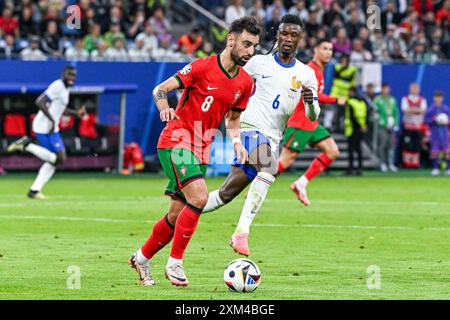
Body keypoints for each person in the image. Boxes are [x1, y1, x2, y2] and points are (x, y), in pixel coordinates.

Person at [128, 17, 261, 287]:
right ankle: (175, 263)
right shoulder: (202, 66)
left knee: (177, 216)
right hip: (176, 140)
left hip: (201, 150)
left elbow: (233, 120)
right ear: (231, 40)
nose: (250, 52)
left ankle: (141, 259)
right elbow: (160, 89)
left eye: (255, 47)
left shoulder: (245, 83)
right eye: (246, 44)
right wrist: (164, 106)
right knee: (199, 197)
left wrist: (236, 143)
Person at [203, 15, 320, 256]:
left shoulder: (306, 74)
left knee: (225, 195)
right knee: (269, 168)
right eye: (284, 33)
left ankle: (182, 210)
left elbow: (313, 116)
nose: (288, 39)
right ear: (277, 35)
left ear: (300, 39)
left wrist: (310, 104)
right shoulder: (257, 63)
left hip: (272, 138)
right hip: (248, 127)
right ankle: (241, 233)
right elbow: (233, 80)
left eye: (293, 35)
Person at [277, 38, 345, 206]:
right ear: (315, 50)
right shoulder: (309, 70)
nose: (328, 52)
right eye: (324, 48)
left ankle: (301, 183)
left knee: (333, 151)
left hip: (311, 123)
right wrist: (336, 100)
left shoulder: (319, 71)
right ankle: (255, 186)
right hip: (299, 122)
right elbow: (315, 96)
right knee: (285, 161)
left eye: (330, 49)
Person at [6, 66, 86, 199]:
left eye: (73, 75)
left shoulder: (65, 89)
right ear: (63, 74)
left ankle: (34, 190)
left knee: (57, 160)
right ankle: (27, 145)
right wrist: (51, 120)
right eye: (69, 75)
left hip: (52, 128)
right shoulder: (57, 86)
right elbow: (40, 101)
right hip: (43, 127)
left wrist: (75, 113)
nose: (71, 78)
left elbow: (59, 108)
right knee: (59, 159)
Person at [374, 83, 400, 172]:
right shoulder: (377, 100)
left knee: (391, 145)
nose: (386, 90)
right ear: (381, 89)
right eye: (384, 89)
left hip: (391, 126)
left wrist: (396, 123)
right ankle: (383, 163)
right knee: (383, 144)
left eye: (387, 89)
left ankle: (391, 164)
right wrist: (382, 122)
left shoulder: (392, 100)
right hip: (382, 126)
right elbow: (375, 112)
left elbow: (396, 112)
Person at [401, 83, 427, 168]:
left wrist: (411, 110)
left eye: (416, 88)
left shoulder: (422, 100)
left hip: (418, 126)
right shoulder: (405, 99)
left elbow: (423, 111)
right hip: (408, 126)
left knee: (417, 145)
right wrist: (417, 110)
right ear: (410, 89)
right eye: (413, 88)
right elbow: (405, 110)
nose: (414, 90)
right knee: (407, 144)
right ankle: (407, 163)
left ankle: (415, 163)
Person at [424, 91, 450, 176]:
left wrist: (447, 121)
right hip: (435, 133)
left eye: (440, 97)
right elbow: (426, 120)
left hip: (445, 133)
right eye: (437, 97)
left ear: (442, 98)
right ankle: (435, 168)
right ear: (434, 98)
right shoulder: (431, 109)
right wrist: (434, 119)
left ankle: (448, 169)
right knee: (434, 151)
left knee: (447, 151)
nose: (438, 99)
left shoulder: (446, 109)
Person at [345, 87, 368, 175]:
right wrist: (364, 125)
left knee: (351, 150)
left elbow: (352, 117)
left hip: (352, 129)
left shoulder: (350, 102)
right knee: (358, 150)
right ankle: (360, 168)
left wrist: (359, 126)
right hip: (361, 128)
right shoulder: (362, 102)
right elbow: (366, 115)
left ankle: (350, 169)